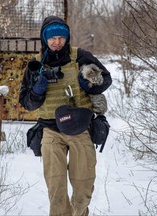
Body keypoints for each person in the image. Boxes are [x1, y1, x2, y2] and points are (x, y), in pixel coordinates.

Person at [19, 15, 112, 216]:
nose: (57, 41)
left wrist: (88, 83)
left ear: (67, 37)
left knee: (83, 188)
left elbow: (106, 79)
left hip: (81, 129)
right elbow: (25, 102)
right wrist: (37, 90)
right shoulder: (35, 64)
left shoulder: (80, 56)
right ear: (45, 39)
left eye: (61, 37)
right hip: (50, 130)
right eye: (52, 38)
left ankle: (79, 212)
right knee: (56, 189)